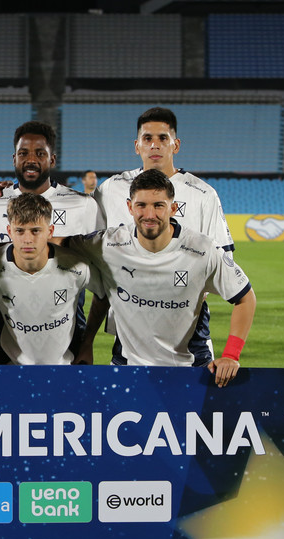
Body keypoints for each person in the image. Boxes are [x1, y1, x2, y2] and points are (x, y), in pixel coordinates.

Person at [65, 170, 256, 387]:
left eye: (158, 205)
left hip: (191, 370)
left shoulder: (202, 250)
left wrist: (231, 355)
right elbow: (57, 244)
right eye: (141, 205)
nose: (149, 214)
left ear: (173, 208)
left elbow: (245, 297)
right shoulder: (109, 243)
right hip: (128, 369)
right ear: (129, 207)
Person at [92, 107, 234, 365]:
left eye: (162, 138)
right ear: (137, 145)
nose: (154, 145)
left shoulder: (202, 194)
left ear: (175, 145)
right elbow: (87, 239)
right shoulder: (111, 189)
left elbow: (223, 260)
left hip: (185, 327)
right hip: (129, 324)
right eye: (147, 138)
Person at [0, 193, 102, 365]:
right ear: (9, 231)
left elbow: (103, 295)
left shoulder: (77, 266)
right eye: (20, 231)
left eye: (35, 231)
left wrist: (87, 344)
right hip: (12, 367)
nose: (27, 240)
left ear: (50, 231)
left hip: (64, 367)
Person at [0, 121, 102, 244]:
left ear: (52, 160)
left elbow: (99, 251)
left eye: (40, 154)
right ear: (14, 159)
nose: (31, 160)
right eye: (23, 153)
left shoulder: (84, 205)